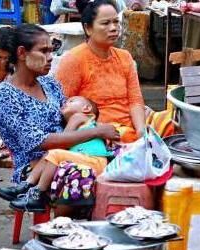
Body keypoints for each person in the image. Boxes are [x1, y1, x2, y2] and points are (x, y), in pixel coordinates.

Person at [0, 24, 119, 213]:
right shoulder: (4, 96)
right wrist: (96, 131)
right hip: (34, 169)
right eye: (44, 51)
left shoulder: (49, 84)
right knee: (79, 174)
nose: (50, 57)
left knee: (122, 157)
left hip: (70, 152)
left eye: (52, 50)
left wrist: (96, 131)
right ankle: (62, 229)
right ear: (21, 53)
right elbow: (38, 142)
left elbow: (72, 119)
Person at [56, 0, 175, 143]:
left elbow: (135, 101)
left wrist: (141, 131)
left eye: (116, 22)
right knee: (126, 136)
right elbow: (61, 106)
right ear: (88, 28)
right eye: (105, 23)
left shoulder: (124, 57)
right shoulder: (74, 59)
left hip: (133, 121)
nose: (114, 28)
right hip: (100, 129)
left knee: (175, 121)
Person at [0, 95, 113, 210]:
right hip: (91, 160)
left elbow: (63, 140)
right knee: (50, 154)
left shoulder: (78, 117)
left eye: (71, 101)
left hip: (94, 160)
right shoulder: (89, 123)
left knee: (55, 152)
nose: (65, 103)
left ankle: (37, 195)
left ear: (86, 108)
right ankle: (26, 186)